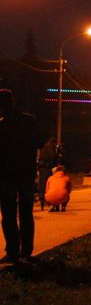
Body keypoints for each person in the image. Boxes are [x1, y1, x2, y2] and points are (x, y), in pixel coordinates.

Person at [0, 89, 42, 265]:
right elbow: (39, 142)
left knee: (8, 214)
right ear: (13, 101)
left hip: (5, 175)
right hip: (26, 173)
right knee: (26, 213)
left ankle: (12, 251)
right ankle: (26, 251)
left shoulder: (1, 125)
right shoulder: (30, 121)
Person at [36, 138, 58, 211]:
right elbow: (52, 156)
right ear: (54, 143)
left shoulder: (43, 147)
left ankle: (41, 198)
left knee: (41, 183)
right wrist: (56, 155)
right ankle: (47, 200)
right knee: (47, 184)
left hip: (41, 168)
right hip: (47, 168)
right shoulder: (50, 148)